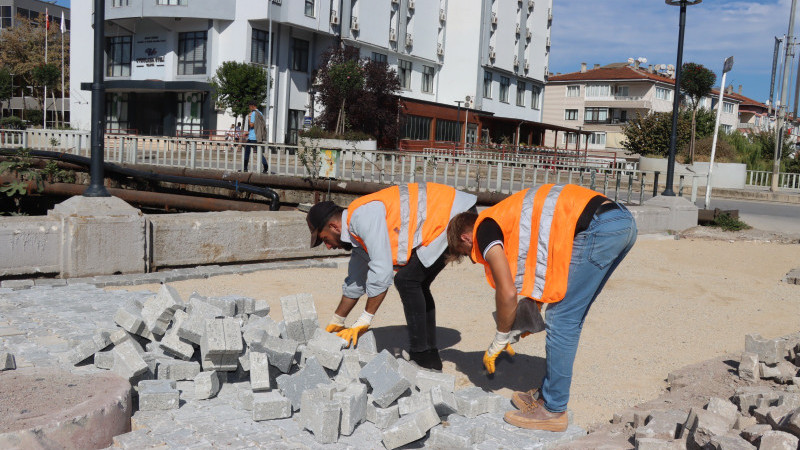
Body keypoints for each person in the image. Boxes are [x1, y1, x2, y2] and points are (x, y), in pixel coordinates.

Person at [446, 183, 637, 431]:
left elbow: (507, 291)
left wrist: (501, 337)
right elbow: (547, 268)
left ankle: (554, 410)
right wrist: (527, 315)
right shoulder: (508, 219)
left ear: (465, 238)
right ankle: (546, 397)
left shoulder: (485, 229)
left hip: (600, 227)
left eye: (468, 253)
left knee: (561, 319)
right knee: (569, 315)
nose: (475, 258)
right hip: (617, 221)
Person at [306, 183, 477, 371]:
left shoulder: (362, 218)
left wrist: (364, 319)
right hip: (447, 213)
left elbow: (382, 271)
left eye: (324, 239)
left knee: (408, 281)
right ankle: (429, 357)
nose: (328, 246)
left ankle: (423, 358)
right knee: (415, 281)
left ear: (334, 227)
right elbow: (355, 281)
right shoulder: (357, 236)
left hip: (454, 214)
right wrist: (337, 321)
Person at [244, 101, 268, 173]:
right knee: (259, 153)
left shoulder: (253, 113)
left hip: (252, 137)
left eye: (249, 106)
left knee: (247, 152)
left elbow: (251, 125)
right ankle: (265, 167)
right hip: (258, 136)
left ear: (252, 106)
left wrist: (249, 117)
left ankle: (245, 168)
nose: (249, 108)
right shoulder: (260, 113)